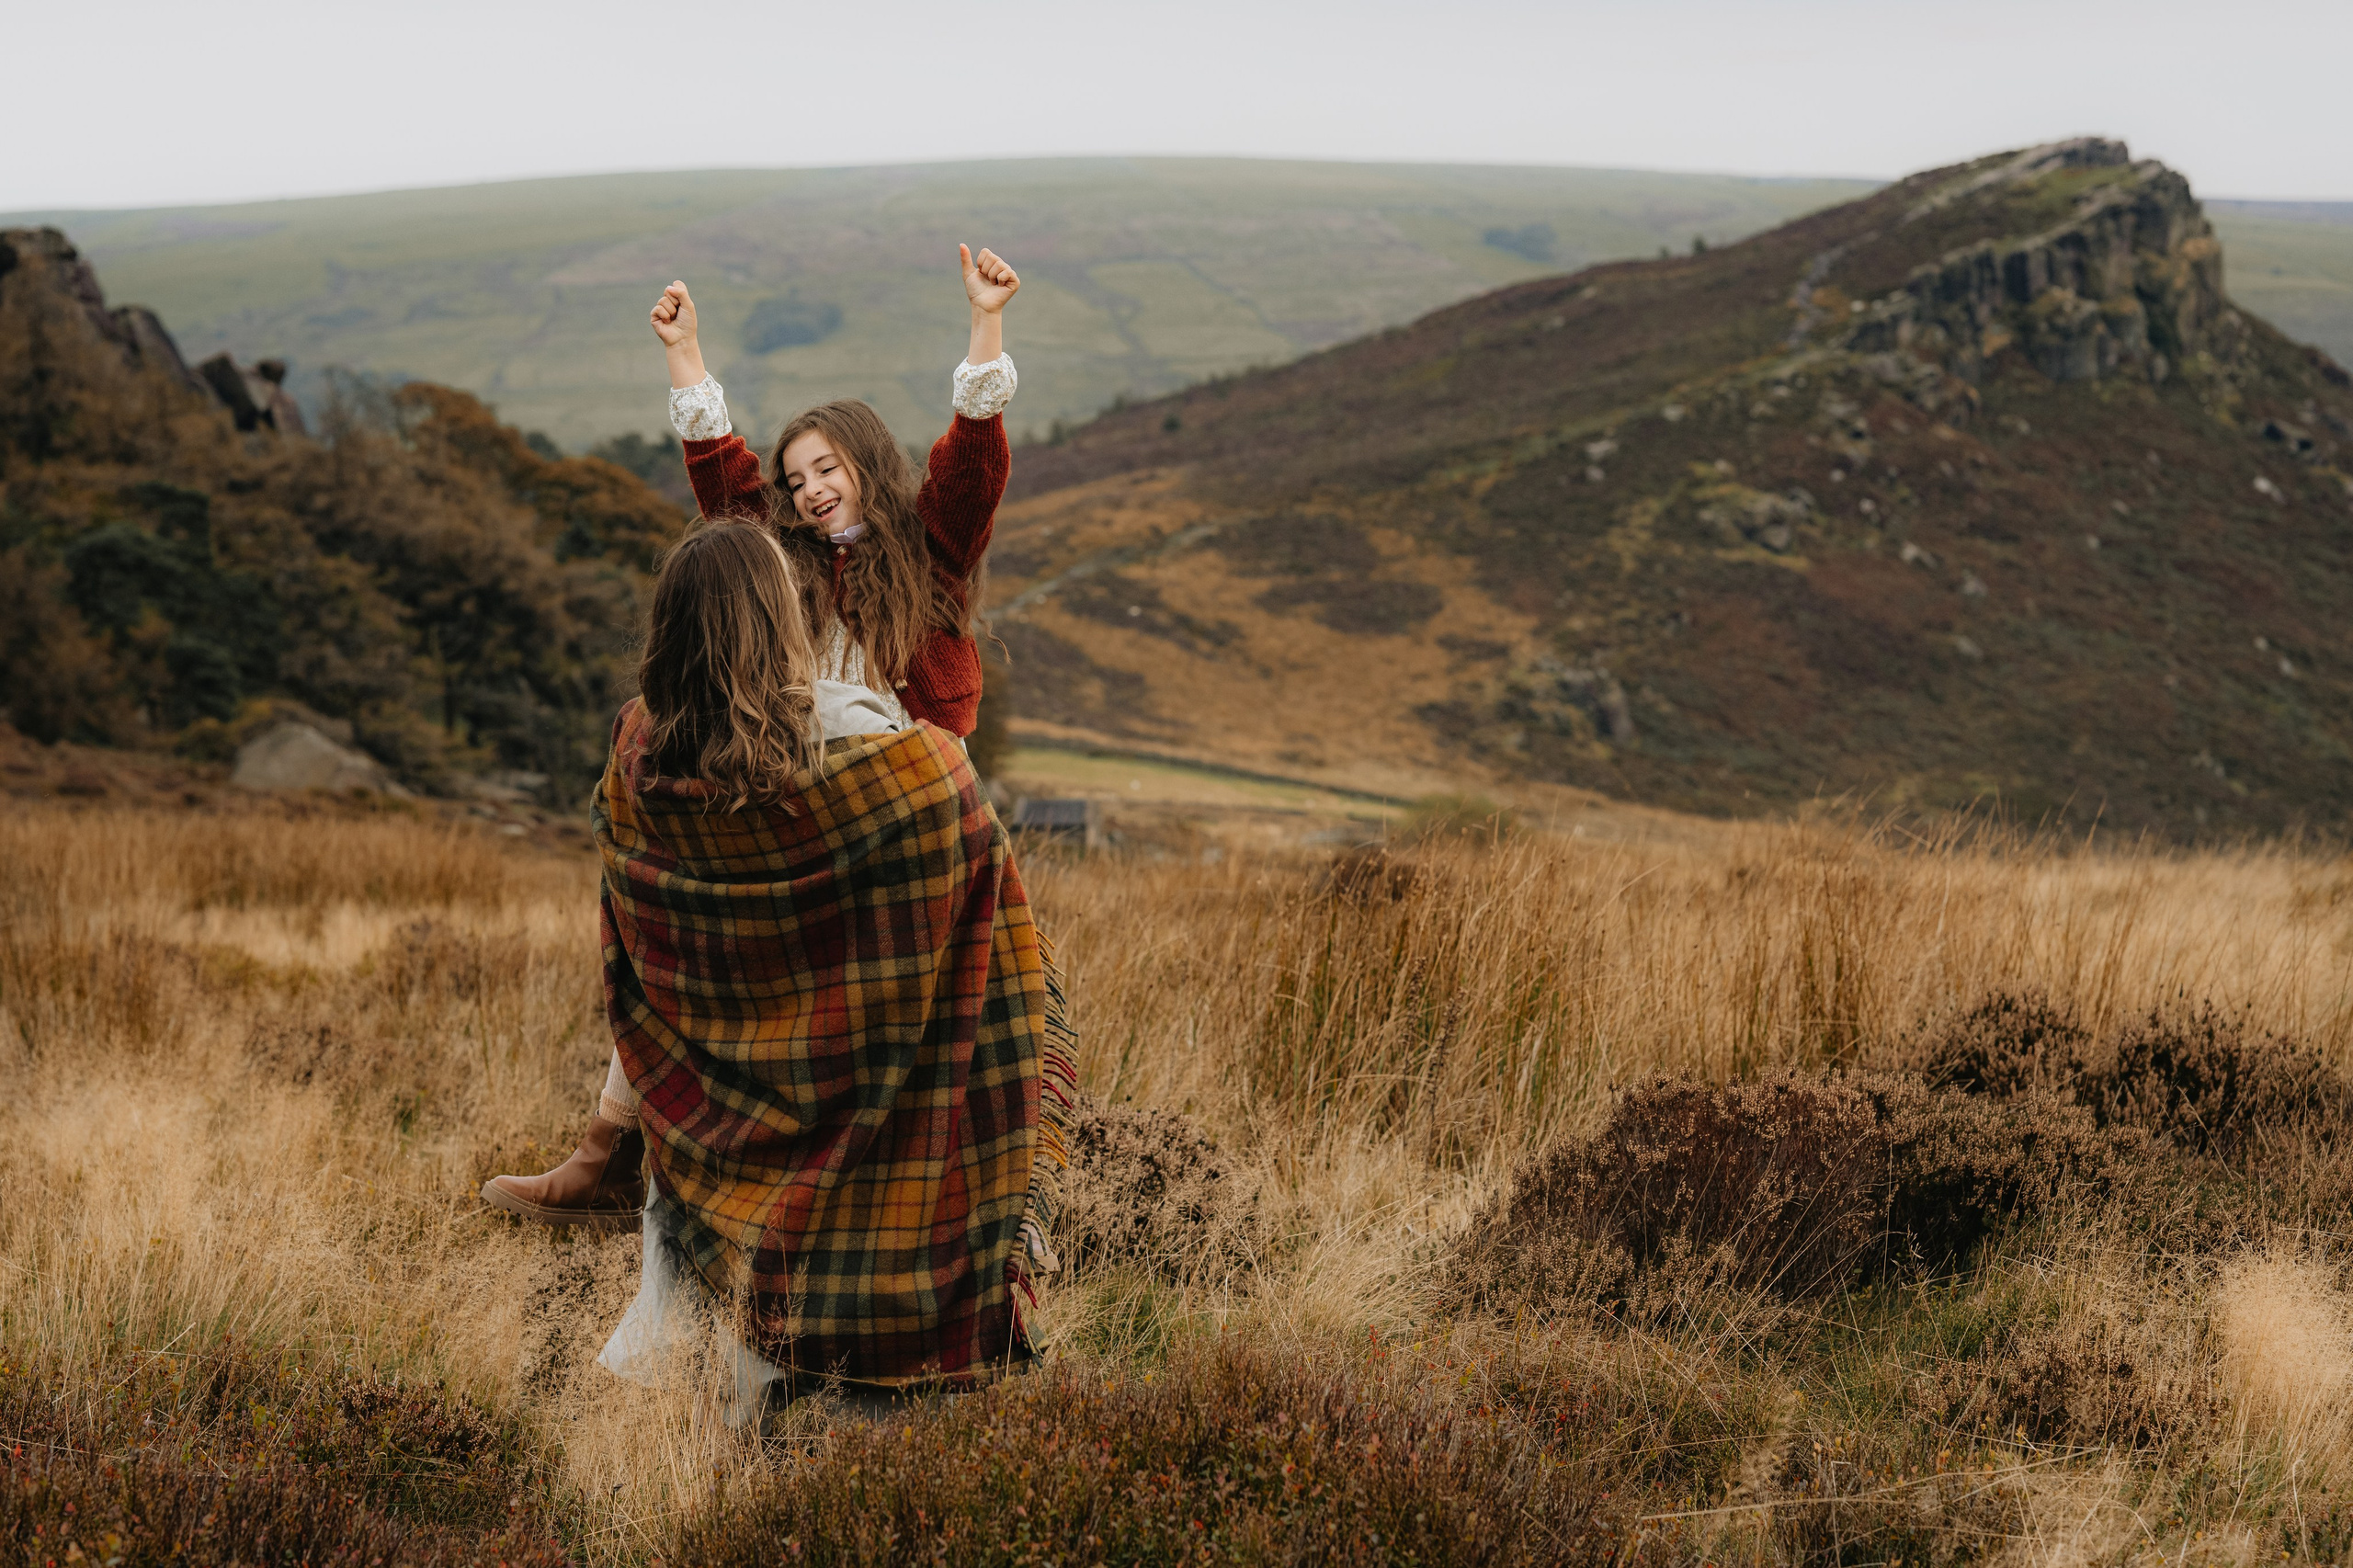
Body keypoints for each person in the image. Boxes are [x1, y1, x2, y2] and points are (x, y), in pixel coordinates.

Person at [482, 244, 1024, 1223]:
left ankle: (964, 1201)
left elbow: (974, 458)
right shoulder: (783, 556)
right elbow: (721, 484)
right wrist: (684, 351)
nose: (811, 488)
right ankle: (607, 1152)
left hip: (900, 809)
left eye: (828, 467)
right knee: (690, 942)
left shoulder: (931, 547)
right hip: (798, 795)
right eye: (796, 475)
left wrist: (985, 321)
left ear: (868, 463)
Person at [488, 519, 1073, 1399]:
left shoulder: (639, 750)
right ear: (778, 620)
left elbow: (635, 928)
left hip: (709, 1081)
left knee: (689, 1093)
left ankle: (623, 1188)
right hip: (851, 1064)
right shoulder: (893, 753)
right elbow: (970, 866)